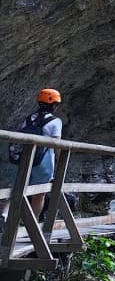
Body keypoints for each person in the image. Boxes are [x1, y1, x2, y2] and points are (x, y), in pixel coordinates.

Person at [4, 88, 63, 222]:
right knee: (39, 193)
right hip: (43, 162)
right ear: (54, 105)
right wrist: (60, 163)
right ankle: (32, 223)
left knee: (17, 188)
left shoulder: (29, 119)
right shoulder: (55, 122)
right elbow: (57, 145)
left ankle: (4, 215)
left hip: (23, 159)